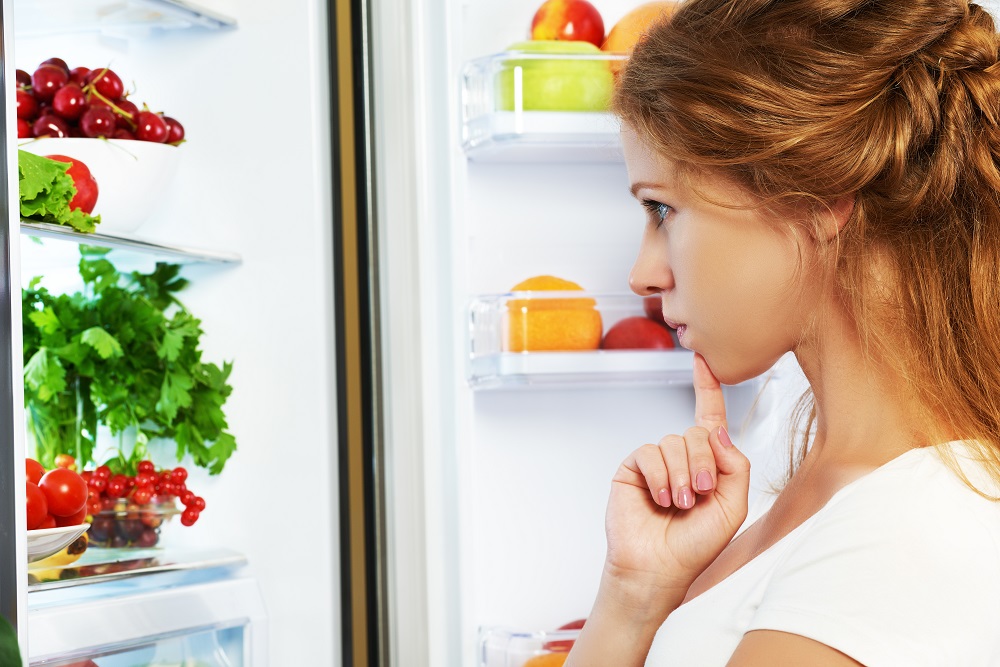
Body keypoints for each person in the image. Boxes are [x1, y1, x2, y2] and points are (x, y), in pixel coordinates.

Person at [566, 0, 1000, 665]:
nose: (643, 273)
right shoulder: (787, 474)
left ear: (816, 199)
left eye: (662, 209)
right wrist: (634, 594)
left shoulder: (916, 527)